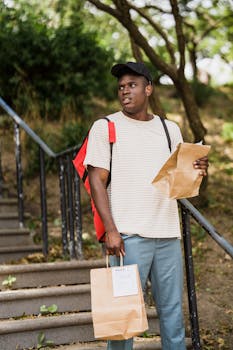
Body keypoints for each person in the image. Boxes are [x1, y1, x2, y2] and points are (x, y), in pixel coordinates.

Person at [84, 61, 208, 350]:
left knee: (173, 315)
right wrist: (111, 231)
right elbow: (96, 181)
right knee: (122, 320)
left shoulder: (169, 129)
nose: (125, 91)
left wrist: (198, 168)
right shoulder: (105, 127)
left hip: (167, 235)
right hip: (128, 238)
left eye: (132, 85)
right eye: (121, 87)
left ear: (148, 89)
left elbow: (180, 185)